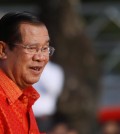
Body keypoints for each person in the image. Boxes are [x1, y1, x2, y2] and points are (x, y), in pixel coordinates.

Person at [0, 11, 55, 134]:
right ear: (3, 50)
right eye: (31, 48)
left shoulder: (23, 97)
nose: (40, 57)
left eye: (45, 48)